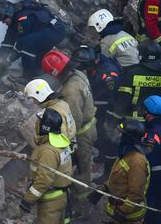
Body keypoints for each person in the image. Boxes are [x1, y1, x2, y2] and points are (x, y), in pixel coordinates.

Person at [42, 49, 97, 200]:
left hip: (81, 134)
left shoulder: (70, 91)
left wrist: (68, 140)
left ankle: (81, 198)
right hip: (90, 125)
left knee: (81, 166)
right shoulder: (79, 74)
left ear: (54, 72)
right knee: (83, 163)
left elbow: (74, 120)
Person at [72, 45, 123, 181]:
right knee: (100, 134)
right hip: (102, 106)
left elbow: (108, 97)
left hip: (111, 111)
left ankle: (108, 172)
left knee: (108, 139)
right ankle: (102, 155)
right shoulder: (96, 62)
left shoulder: (108, 75)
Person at [89, 119, 151, 224]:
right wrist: (103, 189)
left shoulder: (137, 161)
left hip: (130, 217)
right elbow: (119, 178)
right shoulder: (126, 153)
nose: (117, 135)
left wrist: (122, 212)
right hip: (119, 211)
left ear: (128, 138)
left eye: (120, 133)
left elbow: (136, 195)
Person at [19, 109, 73, 224]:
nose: (36, 124)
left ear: (44, 127)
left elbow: (44, 180)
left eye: (38, 122)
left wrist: (28, 199)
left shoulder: (47, 151)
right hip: (61, 195)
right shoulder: (61, 141)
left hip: (51, 200)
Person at [0, 0, 65, 79]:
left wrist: (8, 61)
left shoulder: (23, 19)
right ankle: (38, 73)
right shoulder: (15, 17)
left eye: (3, 19)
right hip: (45, 31)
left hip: (55, 31)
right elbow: (9, 40)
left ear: (8, 12)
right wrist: (0, 58)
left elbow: (21, 44)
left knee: (27, 43)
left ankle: (27, 76)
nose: (3, 22)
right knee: (33, 60)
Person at [115, 40, 161, 123]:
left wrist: (116, 118)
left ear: (141, 56)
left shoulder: (132, 73)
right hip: (157, 120)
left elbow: (124, 98)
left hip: (135, 120)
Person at [141, 95, 161, 224]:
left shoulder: (152, 135)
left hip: (157, 175)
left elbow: (148, 156)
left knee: (153, 206)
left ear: (148, 112)